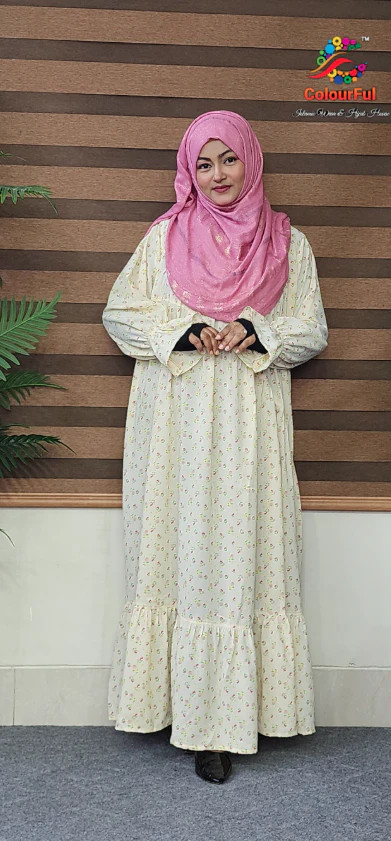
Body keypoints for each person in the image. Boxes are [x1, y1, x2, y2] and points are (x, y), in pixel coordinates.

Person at [102, 110, 328, 785]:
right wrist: (184, 329)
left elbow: (311, 328)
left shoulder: (288, 243)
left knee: (241, 556)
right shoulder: (163, 237)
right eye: (203, 163)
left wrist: (255, 331)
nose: (218, 174)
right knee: (179, 555)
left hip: (249, 425)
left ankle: (224, 725)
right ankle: (175, 710)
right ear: (188, 172)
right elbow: (120, 313)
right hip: (175, 425)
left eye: (228, 158)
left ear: (250, 160)